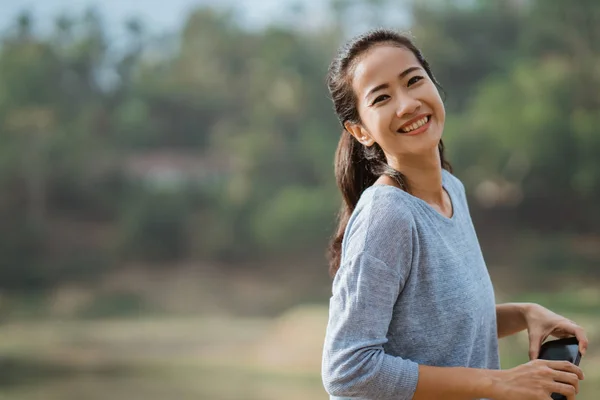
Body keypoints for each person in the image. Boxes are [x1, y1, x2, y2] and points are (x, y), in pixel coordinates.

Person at [321, 28, 589, 400]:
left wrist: (524, 314)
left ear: (433, 83)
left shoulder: (451, 190)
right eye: (382, 97)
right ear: (360, 130)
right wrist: (498, 382)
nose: (408, 104)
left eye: (414, 80)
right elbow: (348, 371)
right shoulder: (387, 215)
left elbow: (437, 331)